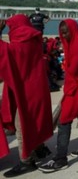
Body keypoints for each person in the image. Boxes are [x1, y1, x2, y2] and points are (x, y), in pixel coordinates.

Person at [39, 19, 78, 173]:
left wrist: (67, 91)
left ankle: (60, 159)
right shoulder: (77, 43)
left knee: (64, 120)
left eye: (66, 32)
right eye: (62, 32)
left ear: (73, 30)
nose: (64, 35)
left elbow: (74, 71)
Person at [0, 15, 53, 177]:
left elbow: (4, 54)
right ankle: (40, 149)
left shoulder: (22, 44)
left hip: (27, 92)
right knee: (34, 121)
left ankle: (26, 161)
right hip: (36, 89)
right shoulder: (33, 40)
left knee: (22, 126)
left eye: (11, 28)